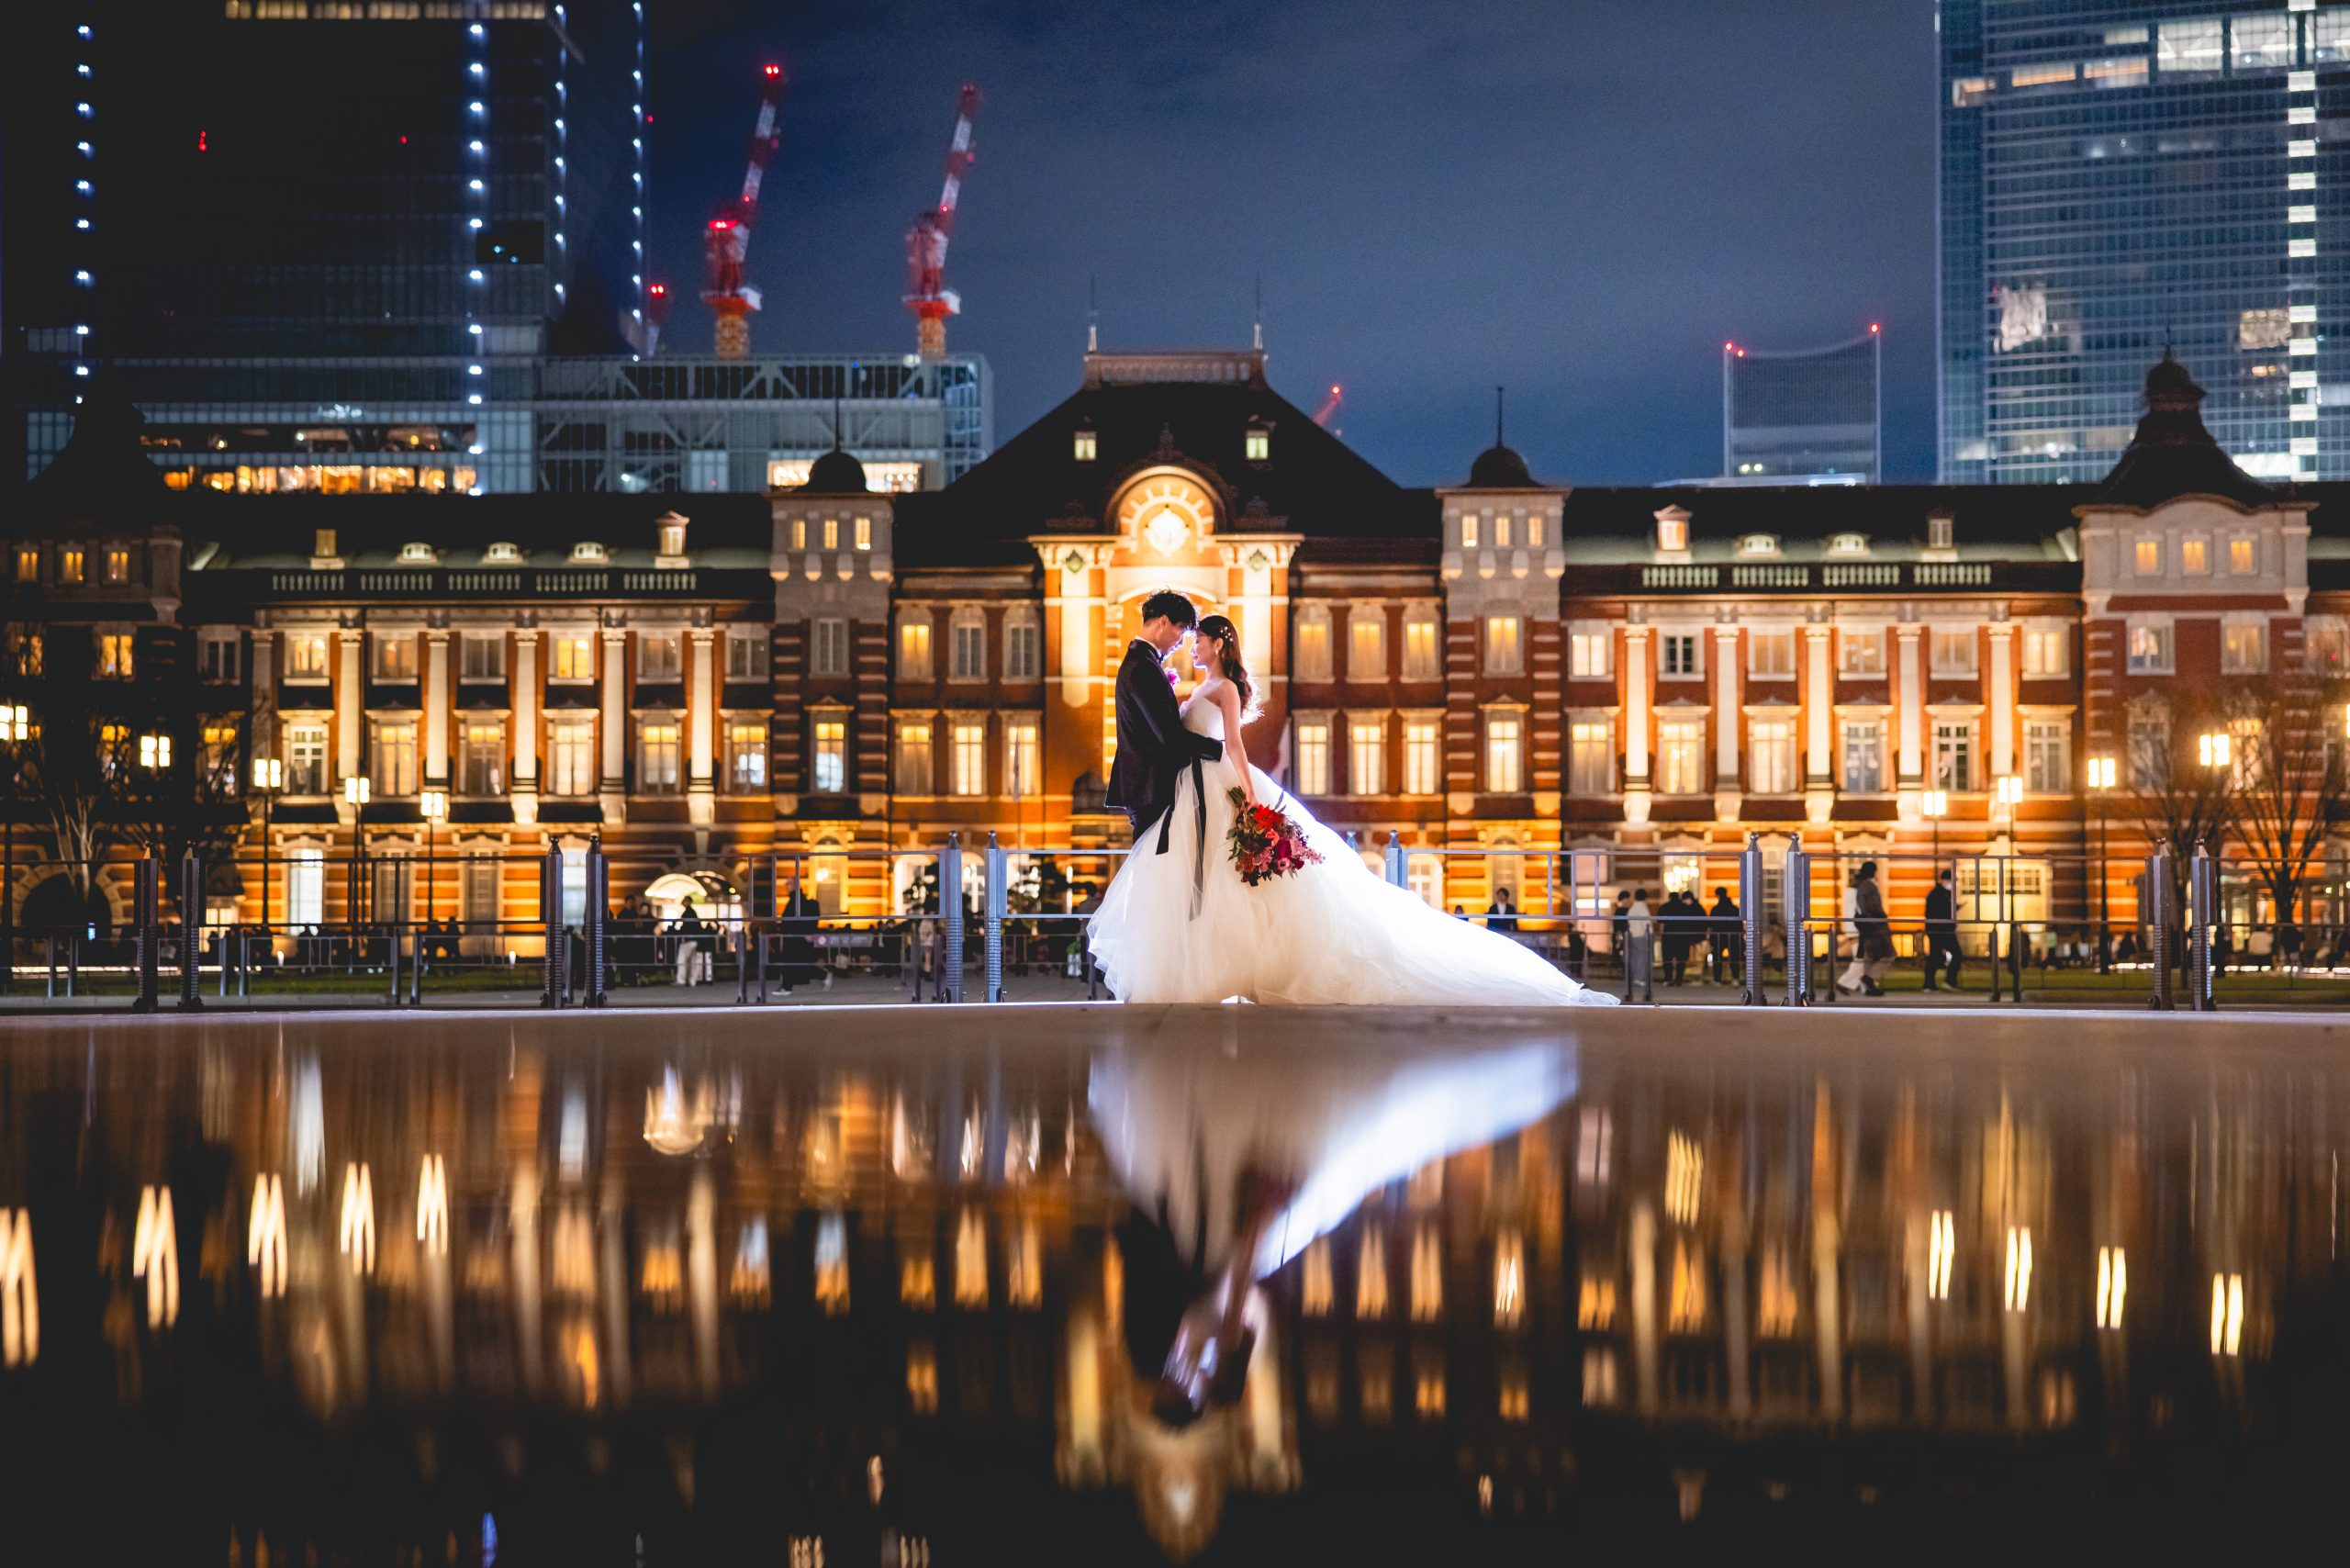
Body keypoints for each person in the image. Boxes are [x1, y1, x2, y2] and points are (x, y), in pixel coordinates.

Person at [1086, 605, 1615, 1006]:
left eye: (1196, 639)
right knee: (1224, 883)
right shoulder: (1196, 686)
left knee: (1246, 883)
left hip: (1216, 786)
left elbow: (1234, 748)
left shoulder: (1221, 689)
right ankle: (1218, 970)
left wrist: (1250, 796)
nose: (1189, 646)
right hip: (1195, 792)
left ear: (1219, 644)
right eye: (1187, 637)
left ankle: (1247, 970)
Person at [1837, 861, 1894, 996]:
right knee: (1862, 960)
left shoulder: (1854, 888)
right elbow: (1860, 910)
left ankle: (1866, 987)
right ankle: (1846, 983)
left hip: (1857, 929)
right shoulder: (1862, 888)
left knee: (1865, 959)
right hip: (1861, 930)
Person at [1922, 868, 1961, 991]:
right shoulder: (1938, 894)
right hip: (1941, 930)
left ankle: (1930, 983)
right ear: (1944, 880)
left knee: (1935, 956)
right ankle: (1947, 981)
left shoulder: (1941, 893)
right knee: (1955, 954)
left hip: (1940, 930)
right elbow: (1937, 912)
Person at [1622, 888, 1654, 1002]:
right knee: (1642, 956)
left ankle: (1635, 976)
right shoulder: (1642, 907)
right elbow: (1646, 923)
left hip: (1632, 934)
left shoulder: (1633, 908)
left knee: (1635, 957)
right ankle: (1640, 978)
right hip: (1641, 935)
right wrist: (1649, 934)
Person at [1707, 886, 1740, 985]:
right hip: (1733, 936)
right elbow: (1738, 923)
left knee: (1717, 958)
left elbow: (1711, 924)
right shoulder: (1734, 908)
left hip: (1719, 936)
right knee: (1734, 958)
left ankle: (1717, 979)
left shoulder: (1716, 909)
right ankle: (1735, 979)